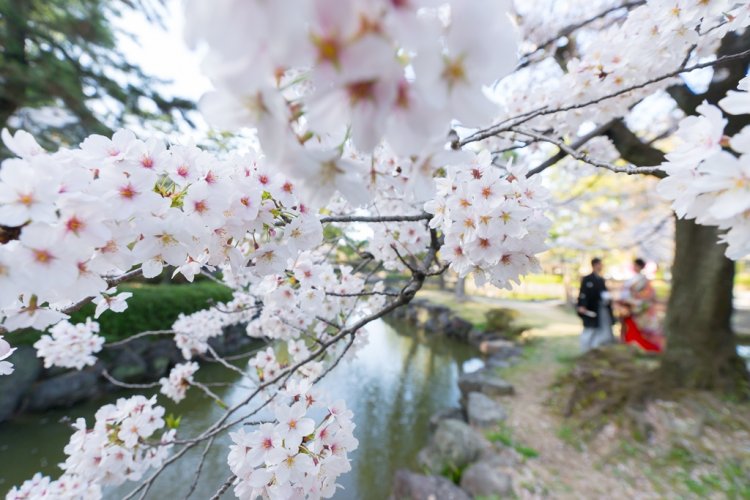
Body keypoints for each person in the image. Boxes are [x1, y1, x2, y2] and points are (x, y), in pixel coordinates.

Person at [619, 258, 662, 352]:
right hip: (629, 307)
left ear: (640, 266)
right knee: (629, 329)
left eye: (636, 265)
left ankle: (643, 348)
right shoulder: (631, 279)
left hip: (639, 308)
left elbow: (649, 294)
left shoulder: (644, 280)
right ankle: (629, 346)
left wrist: (636, 298)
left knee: (640, 330)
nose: (634, 267)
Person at [576, 257, 615, 352]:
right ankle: (584, 350)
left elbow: (604, 294)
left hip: (600, 309)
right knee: (589, 330)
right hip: (590, 309)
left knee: (599, 330)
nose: (601, 266)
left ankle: (593, 350)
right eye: (599, 264)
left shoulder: (601, 280)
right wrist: (582, 305)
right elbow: (583, 293)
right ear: (594, 265)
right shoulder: (587, 279)